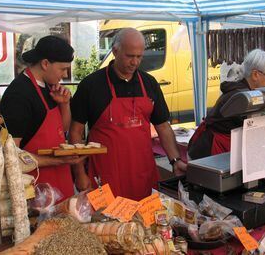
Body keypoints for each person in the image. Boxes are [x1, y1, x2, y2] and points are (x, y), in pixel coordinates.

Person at [69, 28, 187, 201]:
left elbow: (162, 126)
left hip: (142, 172)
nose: (135, 62)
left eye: (139, 57)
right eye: (130, 56)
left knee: (145, 225)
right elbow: (75, 132)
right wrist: (79, 173)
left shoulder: (149, 83)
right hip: (105, 174)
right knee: (107, 224)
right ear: (115, 51)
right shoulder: (91, 85)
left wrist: (175, 160)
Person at [0, 35, 84, 201]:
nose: (66, 74)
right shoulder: (18, 95)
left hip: (61, 185)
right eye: (63, 69)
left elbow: (63, 129)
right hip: (35, 191)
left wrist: (65, 104)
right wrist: (56, 161)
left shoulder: (50, 87)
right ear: (45, 63)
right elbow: (11, 155)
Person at [188, 49, 265, 160]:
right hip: (208, 155)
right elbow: (260, 135)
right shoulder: (242, 99)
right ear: (255, 75)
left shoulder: (248, 93)